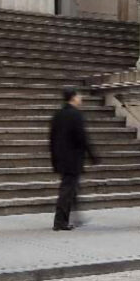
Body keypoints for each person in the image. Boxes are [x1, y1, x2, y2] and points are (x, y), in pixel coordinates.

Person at [49, 87, 98, 231]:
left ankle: (75, 217)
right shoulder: (76, 115)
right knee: (67, 189)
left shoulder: (58, 114)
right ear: (73, 98)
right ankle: (60, 222)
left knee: (71, 188)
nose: (81, 98)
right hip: (72, 159)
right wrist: (92, 155)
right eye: (79, 96)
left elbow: (52, 138)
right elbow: (82, 138)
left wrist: (54, 157)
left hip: (61, 157)